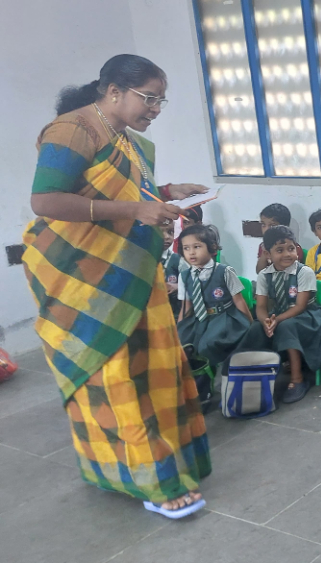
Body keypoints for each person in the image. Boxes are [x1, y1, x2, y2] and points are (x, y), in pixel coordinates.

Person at [23, 54, 211, 518]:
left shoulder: (123, 138)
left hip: (132, 273)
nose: (156, 109)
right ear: (113, 91)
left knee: (152, 370)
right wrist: (137, 210)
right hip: (86, 281)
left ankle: (138, 468)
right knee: (116, 378)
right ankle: (156, 484)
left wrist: (166, 193)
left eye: (161, 101)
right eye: (150, 98)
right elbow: (45, 200)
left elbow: (119, 194)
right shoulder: (72, 131)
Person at [240, 226, 321, 404]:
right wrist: (265, 321)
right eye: (280, 250)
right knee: (256, 328)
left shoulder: (304, 272)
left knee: (286, 326)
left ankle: (297, 380)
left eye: (291, 248)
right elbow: (261, 306)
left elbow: (301, 306)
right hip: (280, 314)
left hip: (308, 317)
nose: (287, 254)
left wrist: (277, 320)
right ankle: (255, 378)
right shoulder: (265, 275)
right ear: (268, 254)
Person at [175, 224, 252, 369]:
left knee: (207, 345)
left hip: (223, 317)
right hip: (198, 318)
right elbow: (186, 307)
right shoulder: (184, 276)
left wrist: (250, 324)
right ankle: (197, 377)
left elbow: (239, 300)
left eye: (197, 247)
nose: (191, 253)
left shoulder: (225, 271)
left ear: (212, 248)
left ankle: (215, 375)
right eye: (186, 248)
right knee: (181, 344)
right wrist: (179, 329)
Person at [255, 203, 303, 273]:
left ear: (284, 227)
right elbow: (259, 271)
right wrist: (265, 252)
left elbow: (294, 272)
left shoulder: (292, 248)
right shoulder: (262, 247)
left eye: (272, 225)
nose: (266, 229)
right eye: (263, 224)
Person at [161, 222, 182, 316]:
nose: (167, 237)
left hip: (173, 314)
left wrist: (177, 286)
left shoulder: (178, 260)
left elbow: (193, 284)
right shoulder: (143, 260)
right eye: (161, 232)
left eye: (170, 232)